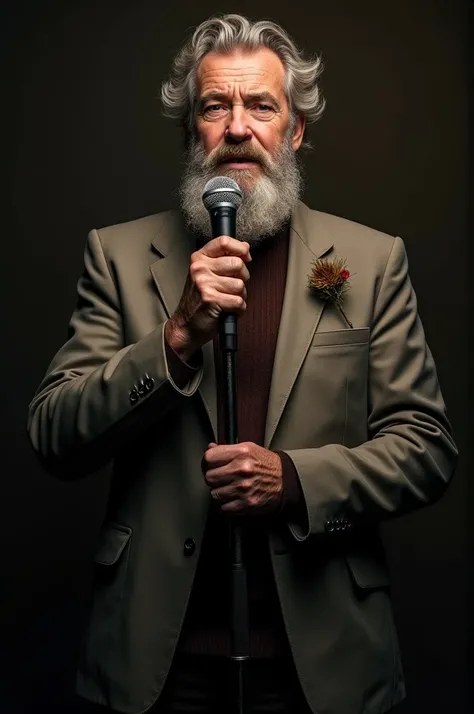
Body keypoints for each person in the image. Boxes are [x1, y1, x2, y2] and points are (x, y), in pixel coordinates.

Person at [27, 13, 458, 714]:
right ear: (191, 131)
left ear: (295, 131)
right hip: (156, 668)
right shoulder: (119, 255)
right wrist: (173, 339)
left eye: (261, 105)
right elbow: (54, 435)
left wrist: (292, 480)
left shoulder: (372, 262)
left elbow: (428, 449)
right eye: (213, 106)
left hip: (323, 664)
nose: (237, 127)